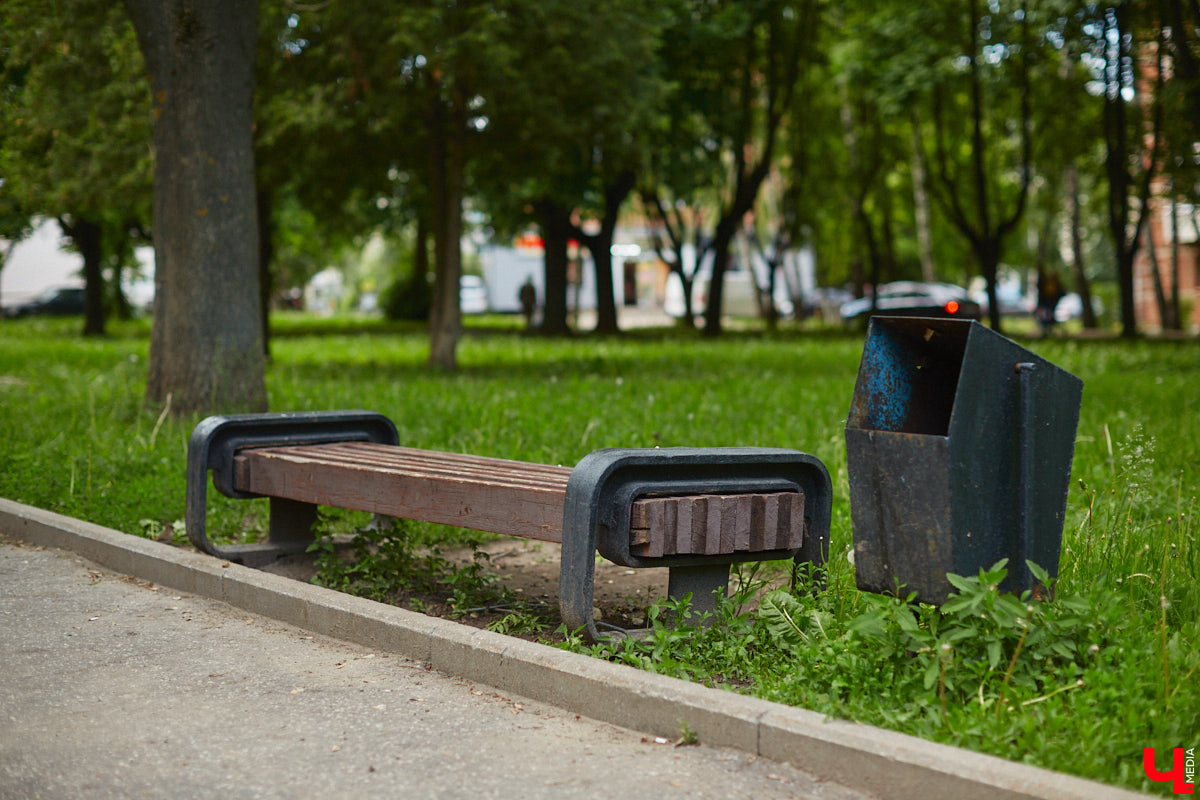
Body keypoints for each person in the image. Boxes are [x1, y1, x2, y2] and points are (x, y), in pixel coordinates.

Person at [1035, 268, 1064, 337]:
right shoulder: (1045, 285)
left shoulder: (1055, 287)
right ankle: (1046, 330)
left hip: (1049, 305)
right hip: (1046, 305)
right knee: (1045, 318)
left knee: (1047, 317)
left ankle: (1047, 330)